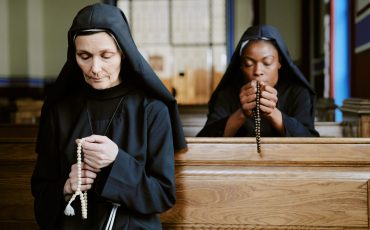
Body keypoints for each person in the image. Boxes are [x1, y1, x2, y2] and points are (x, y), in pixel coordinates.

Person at [31, 3, 187, 229]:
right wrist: (66, 186)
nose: (95, 68)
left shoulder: (152, 110)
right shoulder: (59, 112)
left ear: (123, 52)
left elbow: (162, 196)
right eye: (84, 56)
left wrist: (116, 160)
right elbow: (41, 190)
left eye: (106, 56)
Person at [197, 24, 319, 137]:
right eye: (249, 64)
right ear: (241, 66)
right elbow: (205, 141)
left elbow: (310, 141)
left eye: (267, 63)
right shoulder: (226, 95)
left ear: (279, 63)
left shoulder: (298, 93)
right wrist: (241, 114)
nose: (258, 71)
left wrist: (272, 112)